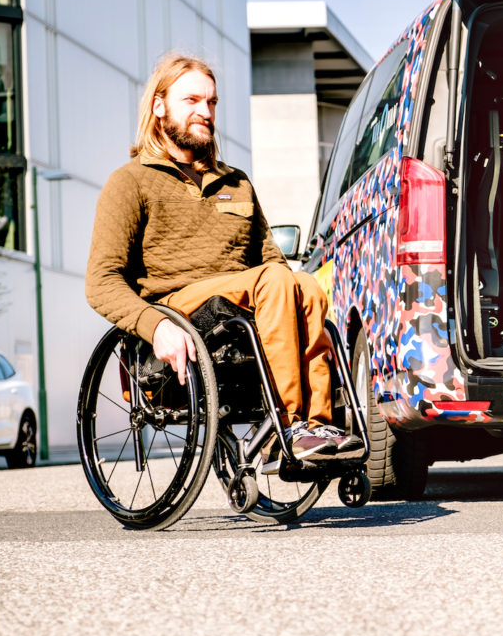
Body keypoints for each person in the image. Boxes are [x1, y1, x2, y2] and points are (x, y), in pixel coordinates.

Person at [85, 52, 358, 473]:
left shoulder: (236, 184)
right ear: (159, 106)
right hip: (179, 308)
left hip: (246, 304)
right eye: (191, 100)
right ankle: (282, 427)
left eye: (211, 103)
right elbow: (101, 282)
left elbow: (272, 259)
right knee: (276, 281)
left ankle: (316, 426)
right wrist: (155, 326)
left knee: (303, 283)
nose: (204, 112)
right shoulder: (131, 182)